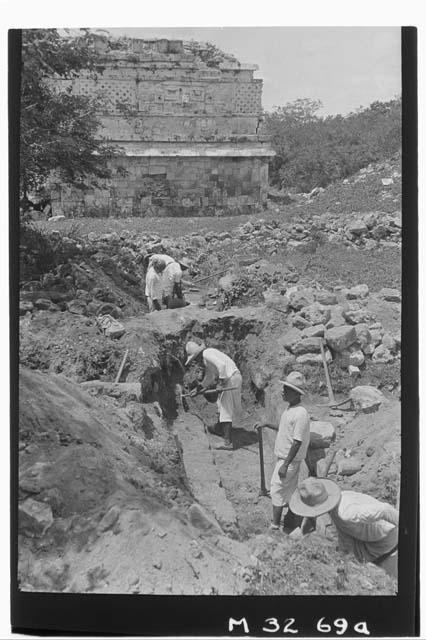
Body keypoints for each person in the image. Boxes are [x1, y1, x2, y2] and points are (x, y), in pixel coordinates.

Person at [290, 477, 399, 576]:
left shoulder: (346, 513)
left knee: (385, 578)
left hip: (386, 540)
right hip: (367, 539)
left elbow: (384, 510)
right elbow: (344, 532)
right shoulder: (337, 503)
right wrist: (343, 556)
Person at [256, 371, 311, 531]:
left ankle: (275, 525)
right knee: (288, 492)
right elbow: (284, 429)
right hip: (286, 459)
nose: (282, 391)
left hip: (289, 460)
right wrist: (267, 423)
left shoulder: (300, 414)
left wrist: (285, 465)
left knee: (276, 490)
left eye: (286, 389)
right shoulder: (290, 409)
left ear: (295, 393)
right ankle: (291, 522)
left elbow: (297, 441)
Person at [185, 341, 242, 451]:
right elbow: (209, 378)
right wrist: (198, 389)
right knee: (221, 405)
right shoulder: (207, 360)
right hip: (231, 378)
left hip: (231, 379)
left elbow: (222, 366)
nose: (195, 362)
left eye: (194, 359)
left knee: (225, 409)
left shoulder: (207, 353)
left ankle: (227, 443)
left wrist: (220, 383)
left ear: (197, 355)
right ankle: (220, 428)